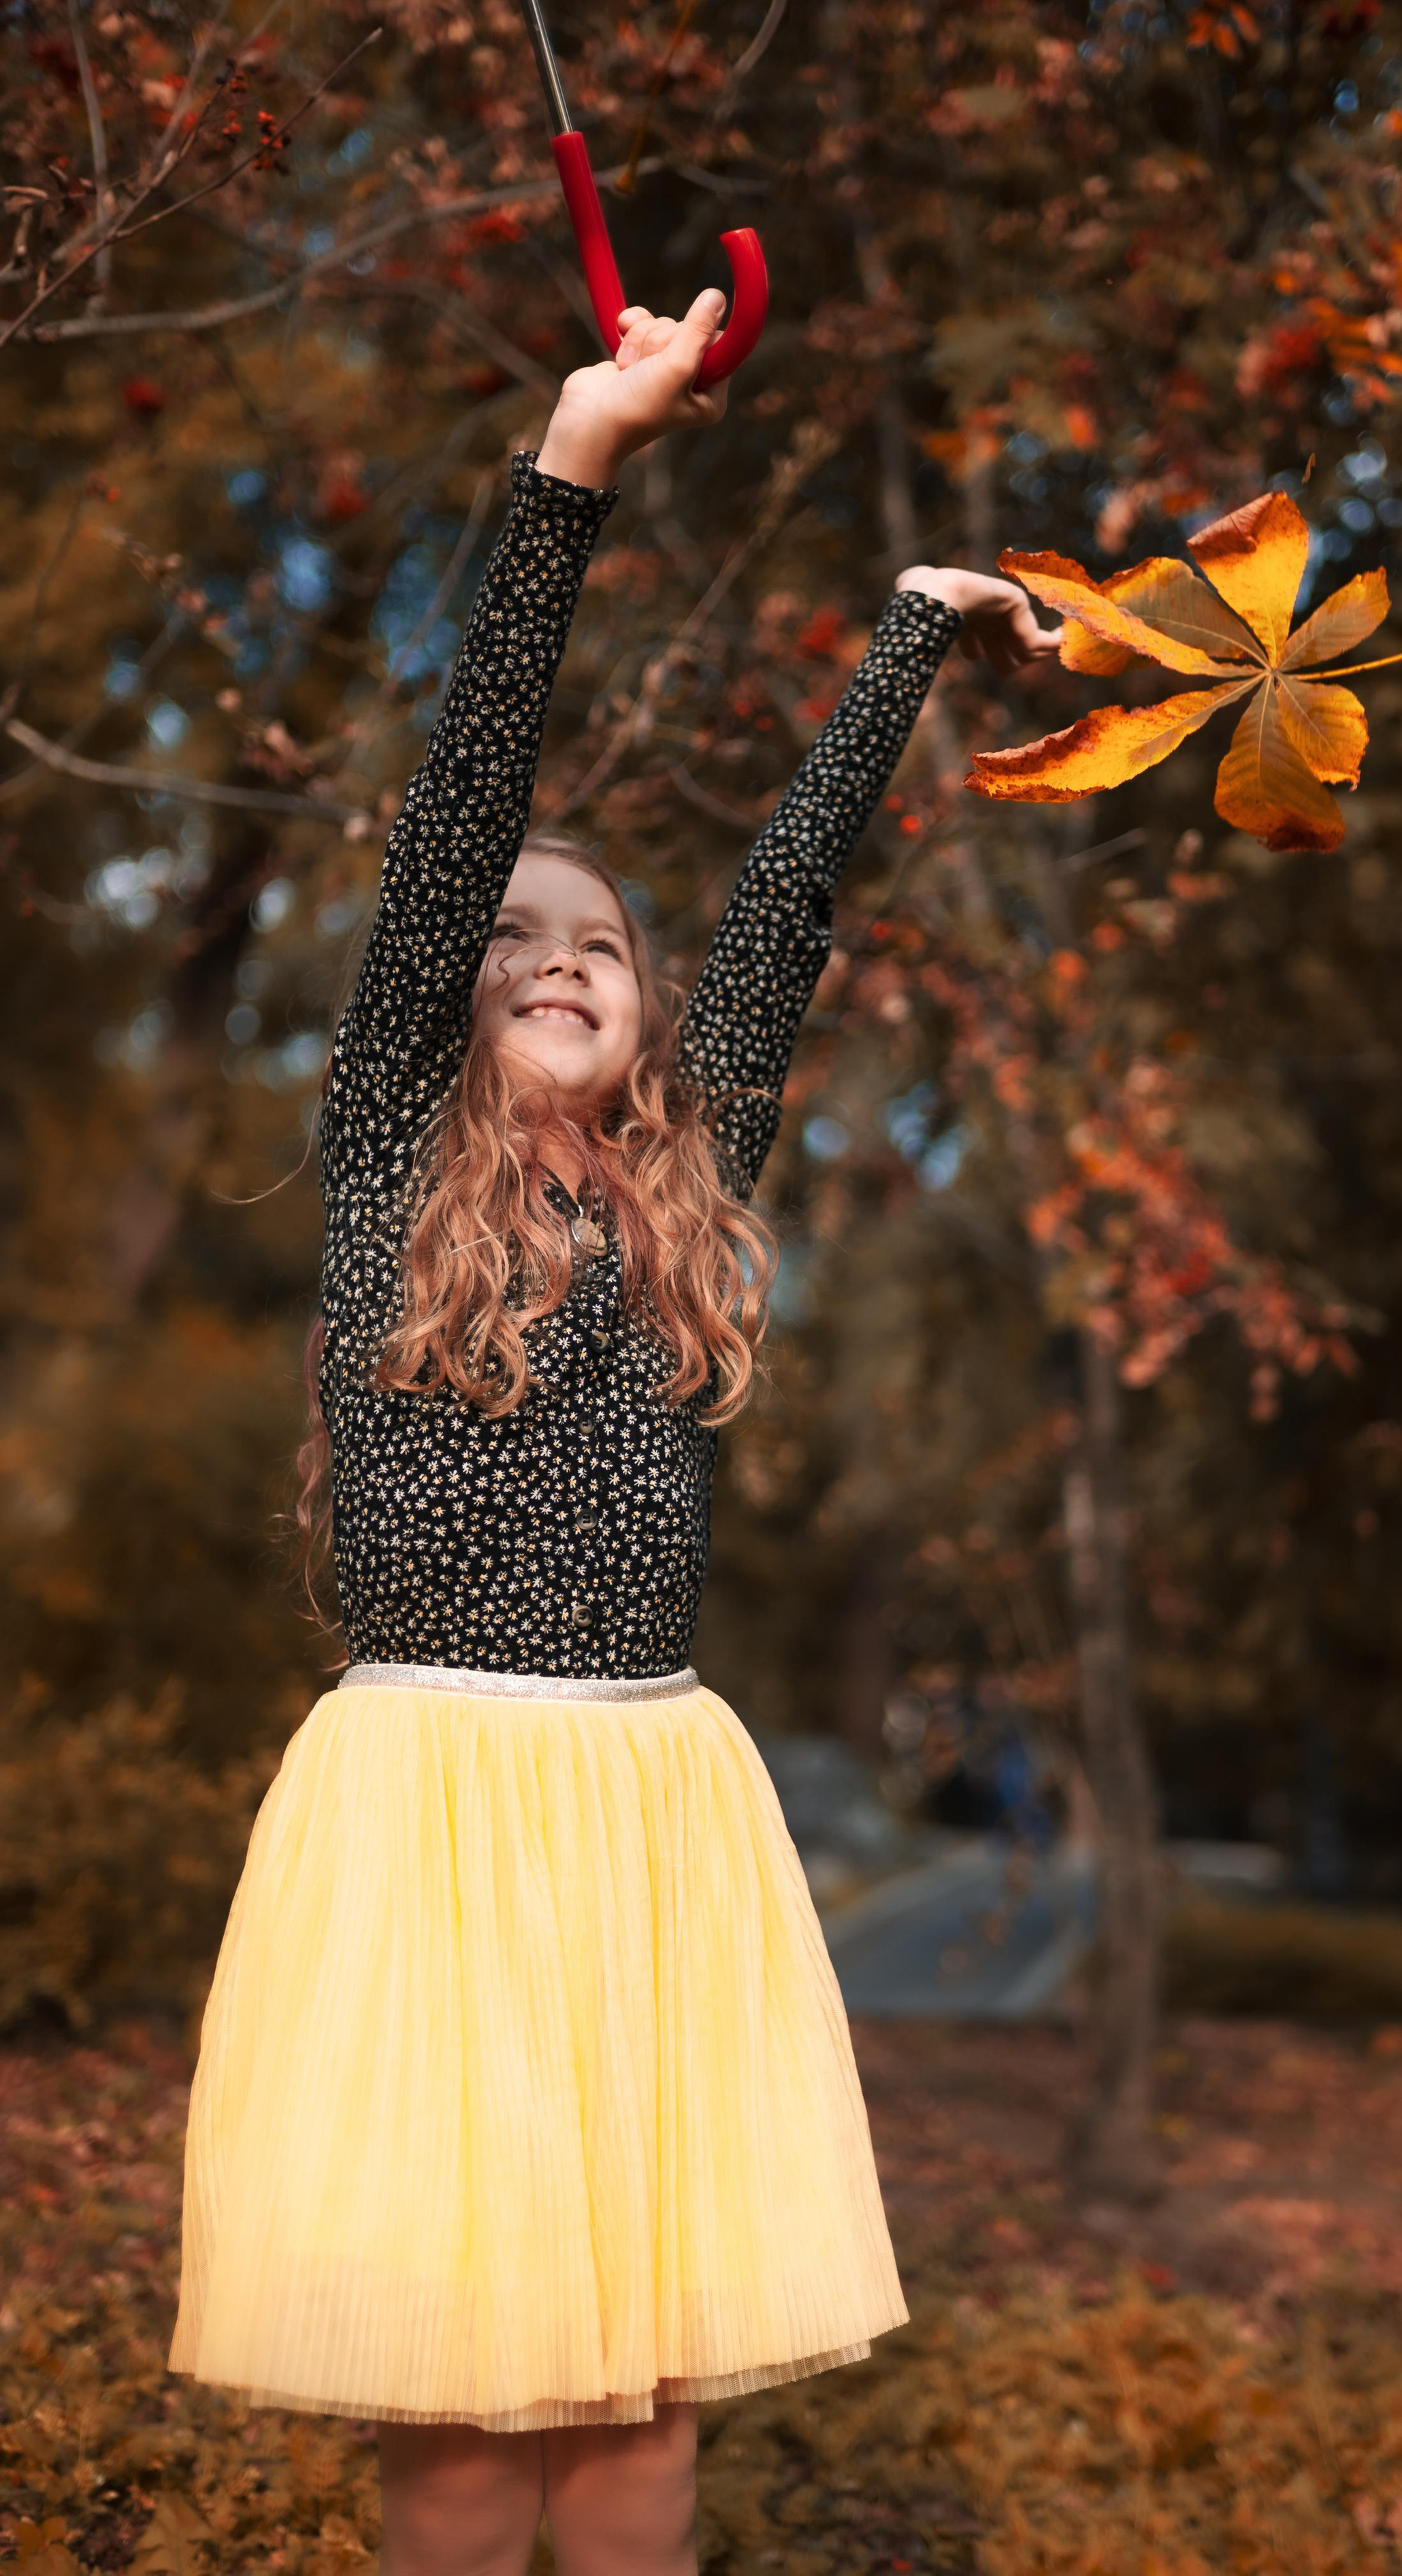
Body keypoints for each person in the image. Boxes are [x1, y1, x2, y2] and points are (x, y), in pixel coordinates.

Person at [168, 286, 1060, 2576]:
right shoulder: (387, 1155)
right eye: (513, 939)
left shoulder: (681, 1190)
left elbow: (782, 904)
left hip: (657, 1812)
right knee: (471, 2410)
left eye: (602, 944)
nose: (560, 953)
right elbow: (469, 795)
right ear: (445, 992)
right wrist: (580, 452)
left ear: (653, 1020)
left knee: (647, 2406)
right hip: (435, 1808)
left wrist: (913, 628)